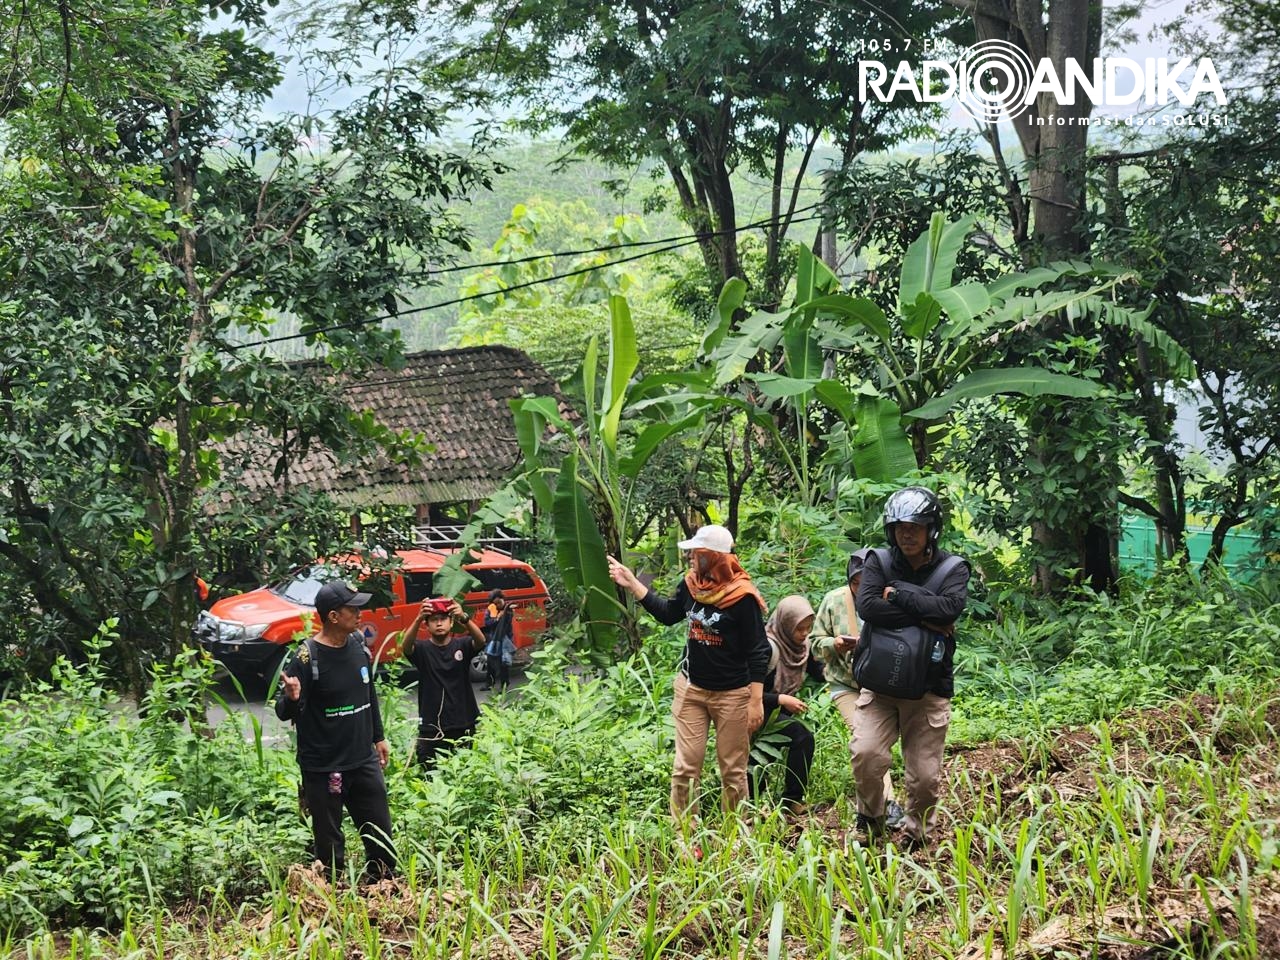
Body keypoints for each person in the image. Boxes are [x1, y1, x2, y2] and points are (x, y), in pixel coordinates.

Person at [607, 524, 769, 820]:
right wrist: (632, 583)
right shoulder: (691, 585)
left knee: (733, 770)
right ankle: (684, 834)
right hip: (691, 689)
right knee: (685, 767)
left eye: (696, 552)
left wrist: (756, 700)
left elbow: (759, 650)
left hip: (732, 694)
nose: (691, 558)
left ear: (713, 557)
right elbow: (669, 614)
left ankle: (735, 834)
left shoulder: (743, 597)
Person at [852, 486, 970, 849]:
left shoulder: (954, 568)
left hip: (928, 689)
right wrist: (926, 614)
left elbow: (949, 610)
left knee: (923, 778)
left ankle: (917, 833)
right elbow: (869, 607)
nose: (907, 533)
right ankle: (871, 819)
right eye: (900, 526)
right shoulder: (878, 562)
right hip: (880, 686)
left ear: (931, 528)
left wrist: (899, 594)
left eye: (916, 526)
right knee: (866, 755)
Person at [275, 581, 396, 881]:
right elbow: (283, 710)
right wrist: (292, 698)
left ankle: (382, 887)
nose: (359, 613)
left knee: (380, 833)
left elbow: (368, 695)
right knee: (329, 845)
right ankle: (331, 897)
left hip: (363, 759)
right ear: (332, 616)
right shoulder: (306, 657)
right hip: (325, 766)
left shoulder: (357, 645)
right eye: (352, 608)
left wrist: (378, 737)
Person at [810, 548, 906, 829]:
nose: (862, 588)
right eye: (857, 583)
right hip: (846, 683)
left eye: (870, 581)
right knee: (864, 738)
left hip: (883, 683)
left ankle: (878, 807)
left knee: (879, 745)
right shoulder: (834, 601)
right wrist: (834, 644)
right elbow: (815, 643)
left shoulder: (893, 598)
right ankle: (887, 803)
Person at [750, 595, 821, 815]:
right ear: (785, 624)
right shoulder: (766, 648)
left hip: (777, 711)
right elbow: (747, 691)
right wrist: (781, 699)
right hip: (757, 708)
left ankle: (789, 799)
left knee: (797, 740)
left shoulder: (801, 646)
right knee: (798, 738)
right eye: (799, 629)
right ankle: (752, 803)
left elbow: (818, 673)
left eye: (808, 628)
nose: (804, 634)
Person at [399, 596, 487, 769]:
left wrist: (464, 618)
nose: (439, 623)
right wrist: (417, 618)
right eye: (433, 620)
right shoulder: (423, 650)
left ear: (450, 622)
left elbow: (481, 641)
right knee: (427, 770)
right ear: (427, 624)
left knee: (465, 771)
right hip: (432, 725)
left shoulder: (462, 645)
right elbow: (406, 647)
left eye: (443, 619)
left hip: (463, 721)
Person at [482, 590, 515, 692]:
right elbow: (487, 623)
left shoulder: (508, 609)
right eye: (495, 603)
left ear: (503, 599)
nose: (497, 605)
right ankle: (489, 684)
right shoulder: (491, 610)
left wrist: (502, 615)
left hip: (505, 640)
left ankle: (504, 686)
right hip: (493, 639)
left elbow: (507, 622)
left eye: (499, 602)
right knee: (490, 662)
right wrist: (496, 619)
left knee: (503, 664)